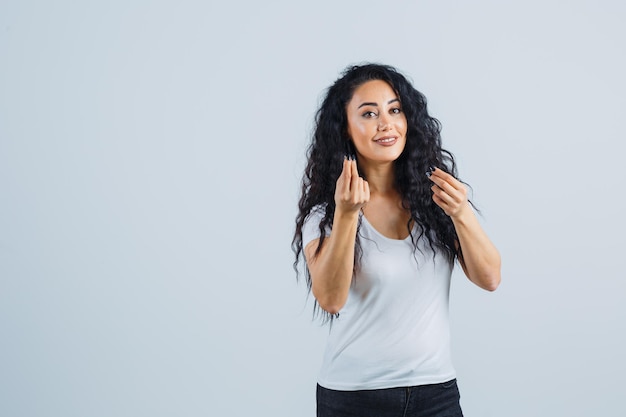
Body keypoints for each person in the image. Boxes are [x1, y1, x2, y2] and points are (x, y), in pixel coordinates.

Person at [292, 63, 501, 417]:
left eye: (395, 109)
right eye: (369, 113)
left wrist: (462, 213)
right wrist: (346, 215)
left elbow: (490, 278)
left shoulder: (435, 200)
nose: (385, 123)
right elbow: (329, 298)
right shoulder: (325, 215)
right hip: (354, 399)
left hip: (436, 394)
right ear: (345, 128)